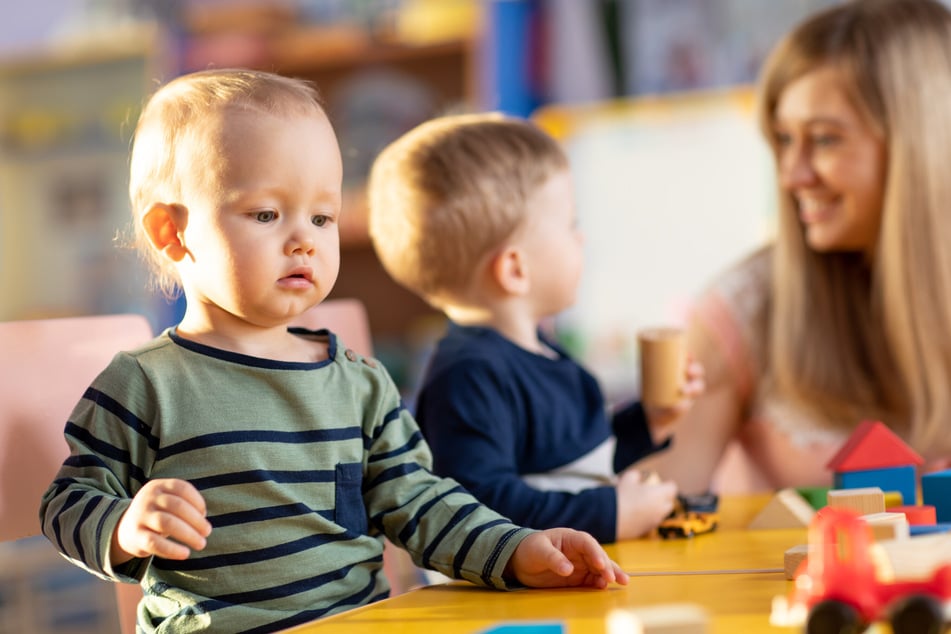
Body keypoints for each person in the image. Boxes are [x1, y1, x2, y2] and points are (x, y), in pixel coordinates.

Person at [38, 69, 629, 634]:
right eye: (267, 213)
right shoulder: (144, 383)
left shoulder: (360, 384)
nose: (304, 239)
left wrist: (516, 549)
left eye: (322, 216)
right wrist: (123, 527)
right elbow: (67, 502)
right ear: (173, 233)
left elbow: (420, 503)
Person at [638, 0, 951, 495]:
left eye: (825, 140)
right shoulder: (741, 312)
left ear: (926, 145)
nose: (791, 175)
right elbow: (646, 504)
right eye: (783, 139)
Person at [366, 113, 704, 544]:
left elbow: (571, 466)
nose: (581, 240)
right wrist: (610, 513)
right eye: (570, 225)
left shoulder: (539, 352)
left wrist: (650, 422)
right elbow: (481, 504)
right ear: (514, 269)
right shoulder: (469, 377)